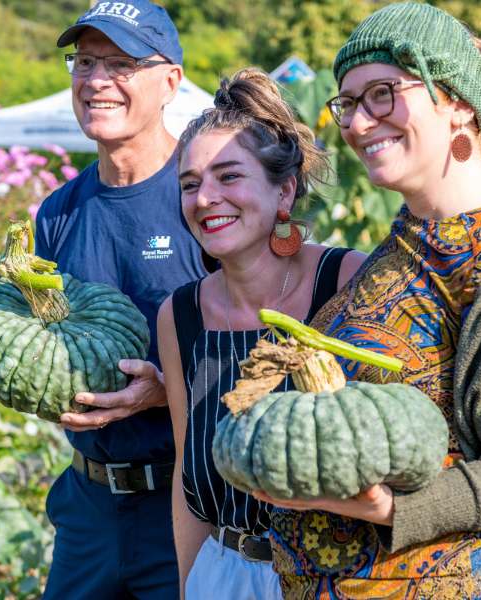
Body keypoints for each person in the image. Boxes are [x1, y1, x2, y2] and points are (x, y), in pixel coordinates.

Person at [252, 3, 481, 599]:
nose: (357, 123)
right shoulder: (405, 245)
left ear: (457, 103)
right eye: (348, 104)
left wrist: (389, 507)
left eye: (382, 94)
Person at [156, 68, 366, 600]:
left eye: (228, 177)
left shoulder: (348, 282)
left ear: (285, 191)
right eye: (190, 184)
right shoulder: (180, 315)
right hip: (222, 574)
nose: (204, 198)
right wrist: (189, 586)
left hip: (337, 578)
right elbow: (188, 476)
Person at [31, 2, 207, 598]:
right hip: (89, 509)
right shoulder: (58, 212)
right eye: (84, 62)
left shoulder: (207, 197)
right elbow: (43, 338)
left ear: (170, 83)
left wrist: (168, 388)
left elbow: (259, 342)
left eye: (121, 64)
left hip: (186, 502)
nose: (96, 80)